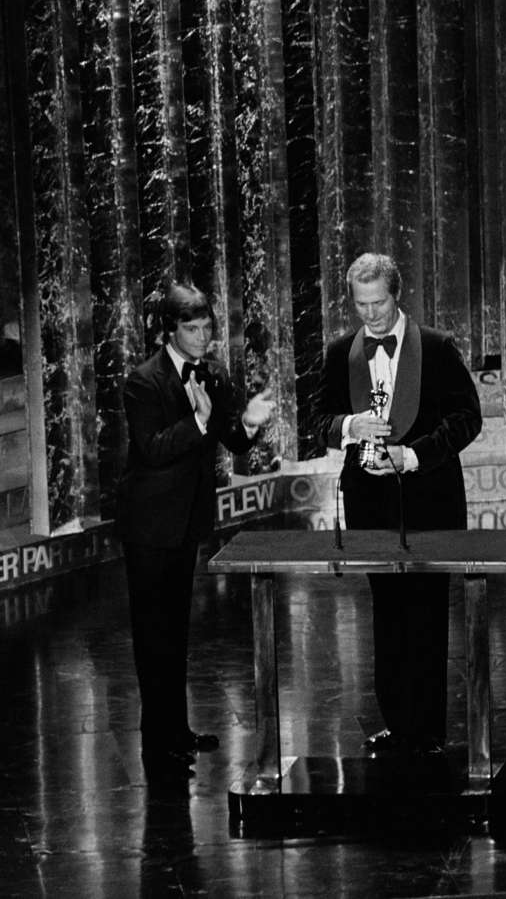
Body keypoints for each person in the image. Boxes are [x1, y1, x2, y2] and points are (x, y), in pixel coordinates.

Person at [310, 252, 481, 759]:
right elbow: (319, 419)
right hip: (370, 505)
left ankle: (427, 728)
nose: (370, 315)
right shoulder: (342, 352)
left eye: (378, 303)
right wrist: (347, 427)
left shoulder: (436, 348)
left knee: (427, 612)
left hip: (430, 499)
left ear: (396, 294)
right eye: (361, 305)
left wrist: (411, 455)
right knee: (387, 612)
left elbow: (467, 419)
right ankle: (397, 723)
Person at [116, 283, 273, 780]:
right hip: (148, 526)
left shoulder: (212, 375)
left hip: (185, 525)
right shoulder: (143, 382)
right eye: (192, 328)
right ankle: (156, 743)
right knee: (152, 637)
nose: (203, 336)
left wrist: (248, 424)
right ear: (170, 330)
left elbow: (232, 438)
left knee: (176, 632)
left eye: (207, 327)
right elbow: (153, 448)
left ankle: (177, 731)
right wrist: (200, 423)